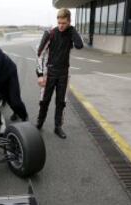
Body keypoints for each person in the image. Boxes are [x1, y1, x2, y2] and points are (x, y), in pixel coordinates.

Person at [36, 8, 83, 139]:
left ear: (69, 22)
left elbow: (79, 45)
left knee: (61, 102)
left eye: (64, 23)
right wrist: (40, 75)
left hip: (64, 74)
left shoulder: (70, 33)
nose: (61, 26)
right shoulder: (50, 34)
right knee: (44, 101)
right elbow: (40, 54)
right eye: (59, 22)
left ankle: (58, 127)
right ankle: (39, 123)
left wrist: (72, 30)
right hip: (49, 72)